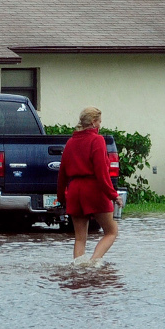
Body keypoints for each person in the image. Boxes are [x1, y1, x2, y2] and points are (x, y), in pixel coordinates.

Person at [56, 106, 119, 266]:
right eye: (99, 122)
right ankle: (94, 263)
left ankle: (79, 268)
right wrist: (113, 195)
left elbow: (62, 173)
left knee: (80, 238)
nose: (100, 125)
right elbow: (101, 173)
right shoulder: (97, 140)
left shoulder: (70, 142)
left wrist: (61, 197)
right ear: (93, 122)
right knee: (111, 231)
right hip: (93, 189)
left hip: (75, 191)